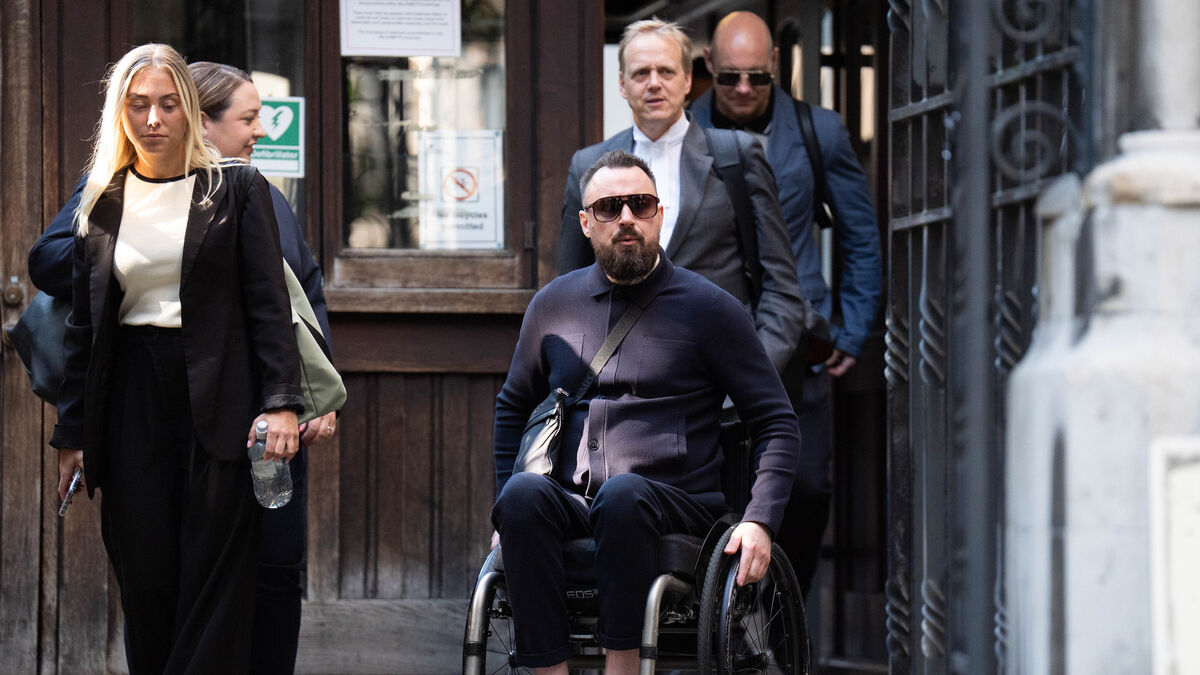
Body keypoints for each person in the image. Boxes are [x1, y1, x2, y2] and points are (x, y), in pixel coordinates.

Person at [30, 59, 335, 675]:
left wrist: (283, 403)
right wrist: (72, 433)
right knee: (145, 580)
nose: (153, 118)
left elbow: (270, 304)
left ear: (190, 111)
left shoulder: (237, 188)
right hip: (130, 398)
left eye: (168, 104)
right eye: (139, 104)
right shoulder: (103, 197)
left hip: (222, 391)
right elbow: (85, 326)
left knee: (215, 583)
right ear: (119, 112)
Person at [493, 150, 801, 674]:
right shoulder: (553, 305)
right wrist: (501, 511)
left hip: (677, 503)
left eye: (640, 204)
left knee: (624, 494)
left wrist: (760, 520)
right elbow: (511, 407)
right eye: (609, 208)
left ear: (660, 214)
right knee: (520, 496)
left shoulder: (711, 309)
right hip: (573, 500)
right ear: (585, 223)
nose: (626, 218)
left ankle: (624, 666)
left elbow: (776, 421)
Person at [690, 11, 884, 596]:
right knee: (714, 488)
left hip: (798, 340)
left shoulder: (818, 131)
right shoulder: (684, 129)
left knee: (806, 487)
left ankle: (784, 612)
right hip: (712, 341)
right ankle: (718, 617)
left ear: (776, 64)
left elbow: (859, 233)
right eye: (730, 77)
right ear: (708, 67)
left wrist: (853, 328)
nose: (743, 89)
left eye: (757, 76)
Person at [556, 18, 809, 375]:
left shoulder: (736, 156)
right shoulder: (589, 166)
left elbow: (782, 290)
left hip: (720, 380)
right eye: (641, 73)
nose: (654, 83)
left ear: (688, 79)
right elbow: (570, 292)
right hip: (624, 387)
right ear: (622, 84)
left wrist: (749, 381)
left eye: (666, 71)